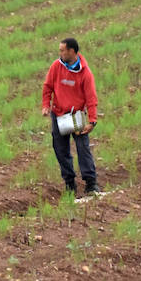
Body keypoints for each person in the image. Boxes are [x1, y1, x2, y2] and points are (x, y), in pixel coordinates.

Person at [42, 37, 100, 196]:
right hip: (58, 114)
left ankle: (91, 183)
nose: (60, 53)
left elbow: (91, 98)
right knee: (60, 150)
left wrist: (92, 121)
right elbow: (47, 87)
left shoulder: (85, 73)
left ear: (72, 51)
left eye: (62, 50)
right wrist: (46, 105)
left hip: (77, 116)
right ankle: (69, 183)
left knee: (83, 148)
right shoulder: (56, 66)